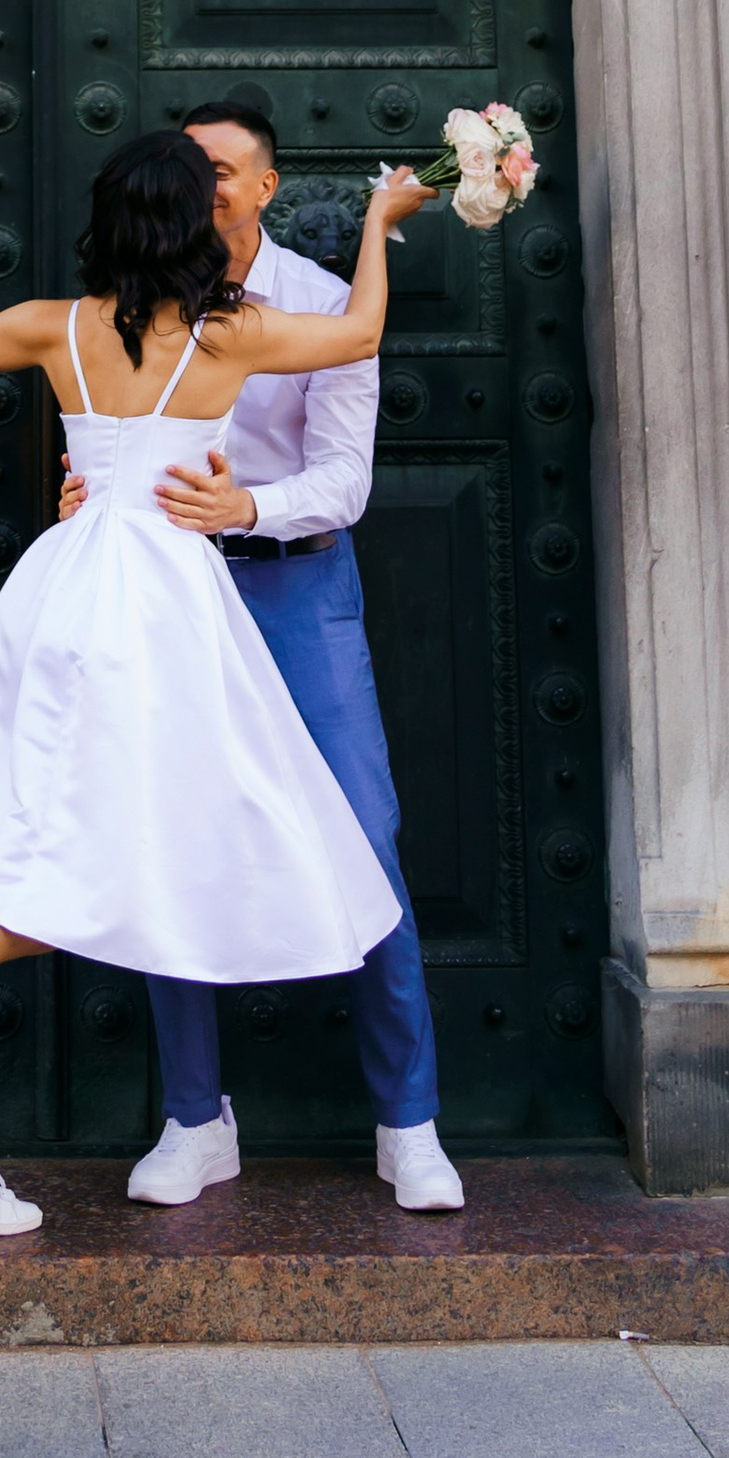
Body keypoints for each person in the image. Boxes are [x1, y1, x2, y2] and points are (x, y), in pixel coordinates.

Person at [0, 134, 433, 1236]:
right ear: (192, 229)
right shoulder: (226, 334)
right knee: (88, 869)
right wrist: (377, 233)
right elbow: (361, 330)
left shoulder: (56, 324)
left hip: (57, 591)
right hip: (155, 606)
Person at [73, 94, 463, 1215]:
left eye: (220, 169)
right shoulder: (129, 304)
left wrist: (242, 507)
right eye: (185, 165)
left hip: (293, 589)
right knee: (173, 844)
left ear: (263, 190)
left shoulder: (323, 303)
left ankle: (409, 1124)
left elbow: (345, 482)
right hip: (169, 596)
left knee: (365, 839)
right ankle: (196, 1123)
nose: (199, 184)